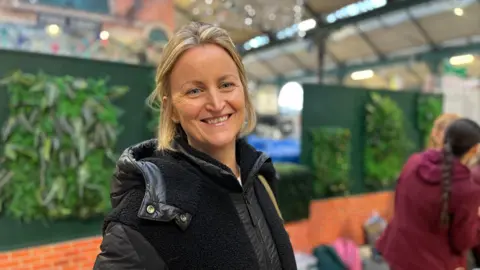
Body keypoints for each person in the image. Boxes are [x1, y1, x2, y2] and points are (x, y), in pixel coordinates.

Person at [93, 22, 297, 270]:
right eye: (195, 90)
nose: (215, 103)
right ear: (172, 109)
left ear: (243, 90)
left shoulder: (259, 179)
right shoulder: (146, 214)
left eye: (226, 85)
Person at [376, 118, 480, 270]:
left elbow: (399, 203)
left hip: (397, 255)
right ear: (473, 149)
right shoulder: (467, 189)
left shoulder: (414, 162)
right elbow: (462, 242)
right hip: (433, 263)